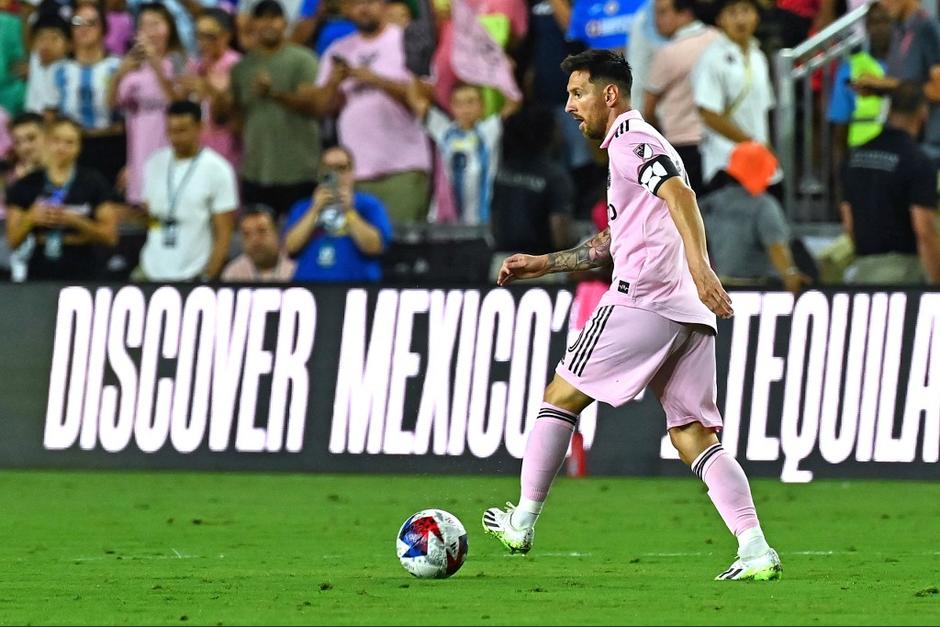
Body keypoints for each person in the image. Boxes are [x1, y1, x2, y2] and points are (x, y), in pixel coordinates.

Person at [482, 50, 782, 582]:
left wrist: (700, 263)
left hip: (644, 298)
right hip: (685, 310)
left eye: (578, 94)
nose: (570, 106)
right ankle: (755, 546)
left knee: (560, 396)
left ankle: (522, 521)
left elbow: (680, 195)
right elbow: (614, 240)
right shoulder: (633, 146)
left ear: (609, 95)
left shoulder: (630, 141)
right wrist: (545, 263)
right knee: (692, 433)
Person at [316, 0, 432, 225]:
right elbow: (322, 109)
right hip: (353, 175)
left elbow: (425, 97)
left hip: (402, 171)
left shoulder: (404, 41)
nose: (363, 8)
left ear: (384, 4)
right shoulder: (337, 50)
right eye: (356, 3)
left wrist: (376, 80)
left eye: (369, 1)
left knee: (399, 250)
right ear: (347, 9)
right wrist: (333, 85)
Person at [226, 0, 339, 217]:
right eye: (262, 18)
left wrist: (274, 94)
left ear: (285, 22)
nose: (268, 24)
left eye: (274, 18)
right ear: (252, 24)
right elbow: (237, 118)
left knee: (298, 239)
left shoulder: (303, 59)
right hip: (256, 171)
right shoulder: (241, 68)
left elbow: (316, 107)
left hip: (300, 170)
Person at [841, 82, 940, 284]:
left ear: (889, 110)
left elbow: (848, 221)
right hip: (904, 271)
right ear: (923, 112)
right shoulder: (918, 161)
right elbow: (923, 229)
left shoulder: (854, 156)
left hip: (863, 268)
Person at [5, 116, 120, 280]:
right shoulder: (26, 184)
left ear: (79, 147)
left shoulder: (93, 182)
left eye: (69, 143)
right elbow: (12, 240)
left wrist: (76, 221)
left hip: (83, 266)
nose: (62, 148)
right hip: (40, 267)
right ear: (46, 142)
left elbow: (110, 236)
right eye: (56, 141)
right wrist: (31, 218)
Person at [136, 100, 237, 282]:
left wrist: (208, 276)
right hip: (151, 268)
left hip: (193, 273)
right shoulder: (153, 164)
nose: (175, 138)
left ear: (200, 127)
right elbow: (152, 218)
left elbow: (224, 232)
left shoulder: (218, 169)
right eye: (170, 131)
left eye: (182, 131)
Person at [702, 142, 812, 294]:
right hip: (761, 288)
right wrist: (789, 273)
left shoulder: (710, 203)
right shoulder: (764, 205)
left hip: (722, 286)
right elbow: (776, 246)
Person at [691, 0, 776, 189]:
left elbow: (764, 110)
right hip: (725, 162)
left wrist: (763, 148)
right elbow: (708, 113)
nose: (740, 19)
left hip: (757, 162)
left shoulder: (758, 56)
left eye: (745, 11)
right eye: (732, 13)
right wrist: (750, 142)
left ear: (756, 16)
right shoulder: (712, 58)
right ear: (720, 19)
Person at [284, 145, 392, 282]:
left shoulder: (369, 205)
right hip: (310, 288)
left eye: (341, 168)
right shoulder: (303, 207)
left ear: (352, 173)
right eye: (328, 169)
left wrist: (349, 211)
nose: (335, 175)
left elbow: (375, 247)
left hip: (356, 290)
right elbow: (290, 247)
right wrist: (314, 209)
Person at [46, 1, 125, 185]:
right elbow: (50, 117)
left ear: (103, 29)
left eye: (91, 23)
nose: (84, 29)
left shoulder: (118, 67)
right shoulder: (60, 70)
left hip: (112, 145)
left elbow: (129, 118)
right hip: (73, 147)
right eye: (78, 22)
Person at [643, 0, 718, 193]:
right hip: (719, 140)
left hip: (681, 142)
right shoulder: (718, 40)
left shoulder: (669, 53)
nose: (657, 21)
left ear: (685, 13)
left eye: (662, 13)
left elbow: (648, 108)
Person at [221, 203, 296, 282]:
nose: (255, 240)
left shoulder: (295, 267)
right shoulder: (233, 273)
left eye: (262, 231)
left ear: (277, 232)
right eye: (247, 234)